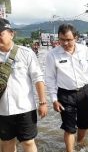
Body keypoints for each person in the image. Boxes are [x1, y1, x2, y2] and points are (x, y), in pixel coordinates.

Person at [45, 24, 88, 152]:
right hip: (65, 95)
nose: (65, 43)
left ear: (76, 37)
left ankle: (80, 142)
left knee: (84, 123)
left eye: (68, 40)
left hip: (85, 92)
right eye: (62, 39)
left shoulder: (85, 50)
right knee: (69, 127)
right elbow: (50, 79)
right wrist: (54, 99)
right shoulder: (52, 55)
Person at [0, 18, 48, 152]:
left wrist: (43, 102)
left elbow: (38, 78)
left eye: (0, 34)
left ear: (11, 34)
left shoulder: (26, 53)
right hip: (2, 109)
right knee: (7, 142)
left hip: (25, 108)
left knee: (28, 142)